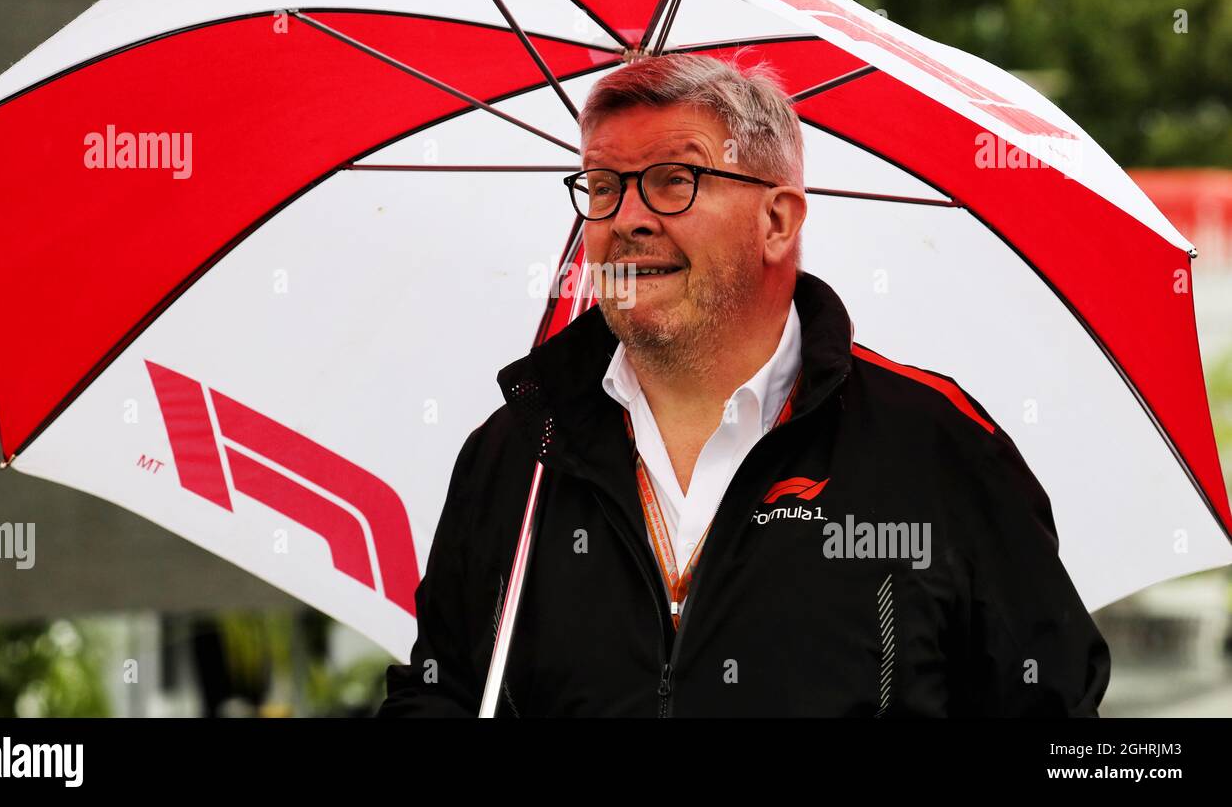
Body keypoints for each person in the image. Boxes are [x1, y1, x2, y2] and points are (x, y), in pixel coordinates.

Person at [376, 53, 1110, 717]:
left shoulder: (935, 449)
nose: (626, 220)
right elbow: (438, 689)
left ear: (777, 219)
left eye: (674, 180)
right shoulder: (517, 452)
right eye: (602, 186)